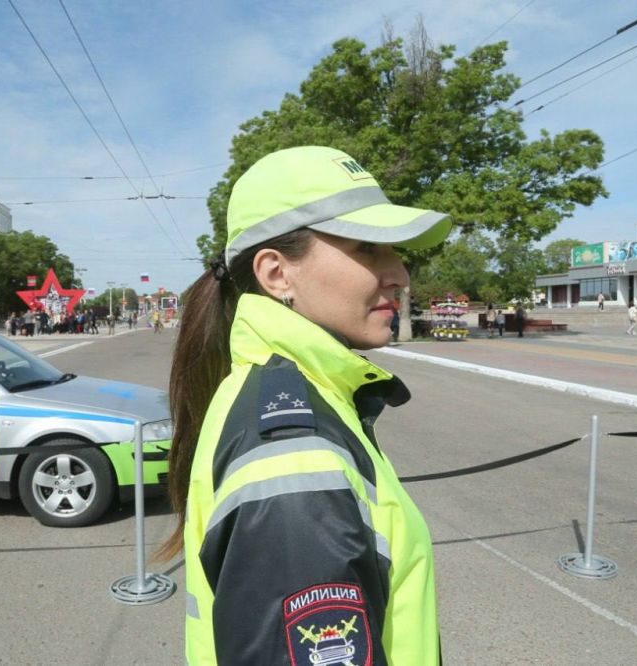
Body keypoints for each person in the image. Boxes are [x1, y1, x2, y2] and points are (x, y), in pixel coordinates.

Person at [162, 146, 450, 665]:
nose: (400, 274)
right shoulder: (295, 454)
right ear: (277, 274)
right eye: (368, 247)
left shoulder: (277, 389)